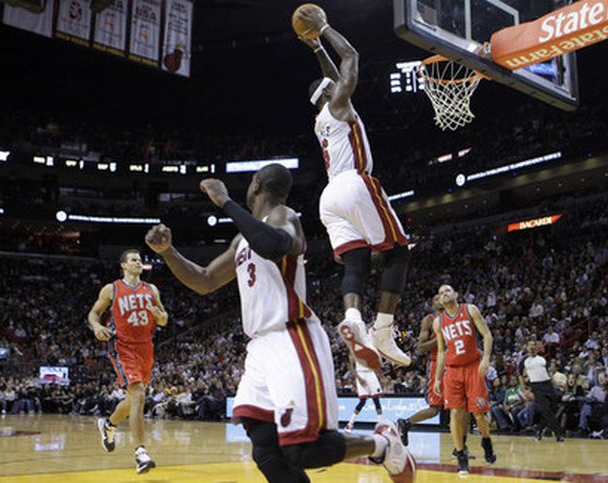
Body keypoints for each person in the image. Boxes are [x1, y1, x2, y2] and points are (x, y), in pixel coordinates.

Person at [144, 165, 415, 482]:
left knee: (305, 449)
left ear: (256, 185)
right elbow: (204, 280)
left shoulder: (285, 217)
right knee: (266, 450)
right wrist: (168, 252)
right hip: (259, 348)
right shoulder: (242, 241)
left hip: (292, 336)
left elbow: (273, 245)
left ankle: (383, 444)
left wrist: (225, 202)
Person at [298, 10, 411, 369]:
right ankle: (382, 329)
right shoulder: (339, 103)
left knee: (357, 261)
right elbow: (351, 59)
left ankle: (353, 318)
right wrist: (326, 28)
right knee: (399, 252)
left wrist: (316, 47)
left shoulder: (322, 119)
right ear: (329, 93)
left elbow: (333, 73)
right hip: (354, 184)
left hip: (329, 198)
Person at [88, 249, 168, 474]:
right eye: (134, 260)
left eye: (140, 260)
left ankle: (109, 424)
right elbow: (94, 313)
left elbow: (164, 318)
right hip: (122, 346)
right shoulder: (112, 289)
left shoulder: (151, 290)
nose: (138, 263)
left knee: (133, 399)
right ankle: (140, 452)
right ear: (123, 265)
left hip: (146, 347)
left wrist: (161, 317)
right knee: (139, 394)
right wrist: (97, 326)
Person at [432, 284, 496, 474]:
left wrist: (485, 358)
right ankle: (461, 456)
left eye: (448, 291)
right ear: (440, 300)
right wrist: (437, 378)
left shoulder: (470, 310)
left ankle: (486, 440)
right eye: (441, 292)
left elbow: (487, 335)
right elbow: (442, 351)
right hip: (452, 371)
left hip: (472, 367)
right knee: (455, 414)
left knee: (478, 414)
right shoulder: (438, 322)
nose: (445, 294)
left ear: (456, 294)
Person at [397, 295, 444, 446]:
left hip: (454, 363)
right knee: (434, 410)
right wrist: (440, 338)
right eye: (437, 299)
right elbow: (420, 347)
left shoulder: (454, 317)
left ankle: (461, 448)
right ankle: (406, 423)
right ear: (433, 304)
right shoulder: (429, 320)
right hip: (437, 364)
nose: (441, 300)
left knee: (460, 406)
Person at [518, 340, 565, 442]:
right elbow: (520, 376)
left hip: (548, 384)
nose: (532, 347)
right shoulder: (523, 361)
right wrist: (524, 390)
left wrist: (556, 384)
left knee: (554, 408)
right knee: (546, 409)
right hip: (536, 386)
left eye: (534, 345)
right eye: (530, 345)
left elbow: (547, 372)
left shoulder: (542, 359)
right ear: (526, 347)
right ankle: (559, 433)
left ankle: (539, 428)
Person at [344, 354, 383, 432]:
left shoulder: (368, 347)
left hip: (370, 373)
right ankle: (350, 424)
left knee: (376, 400)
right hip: (360, 374)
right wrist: (358, 378)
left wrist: (380, 374)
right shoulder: (352, 352)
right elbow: (352, 368)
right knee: (362, 401)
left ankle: (380, 424)